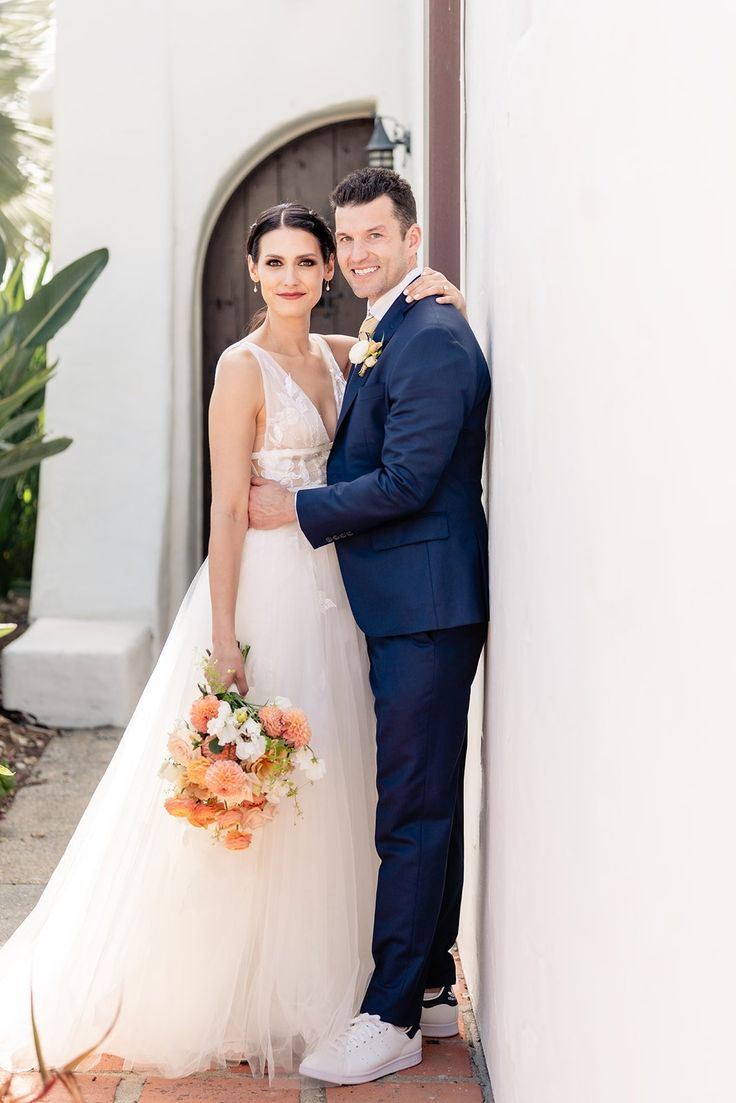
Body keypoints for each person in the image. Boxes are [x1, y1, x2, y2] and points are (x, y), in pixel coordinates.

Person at [0, 200, 464, 1080]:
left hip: (335, 589)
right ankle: (240, 984)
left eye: (305, 261)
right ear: (252, 273)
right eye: (274, 262)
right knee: (261, 786)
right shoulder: (240, 368)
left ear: (328, 273)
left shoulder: (339, 355)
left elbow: (400, 348)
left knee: (332, 778)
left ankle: (331, 980)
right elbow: (224, 507)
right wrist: (223, 632)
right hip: (264, 591)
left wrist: (445, 297)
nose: (291, 276)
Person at [248, 168, 491, 1086]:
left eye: (372, 239)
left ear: (413, 237)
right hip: (411, 605)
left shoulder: (429, 336)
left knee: (412, 812)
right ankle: (426, 983)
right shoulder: (398, 327)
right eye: (345, 241)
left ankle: (388, 1016)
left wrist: (299, 506)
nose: (355, 255)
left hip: (425, 606)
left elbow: (407, 482)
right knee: (424, 804)